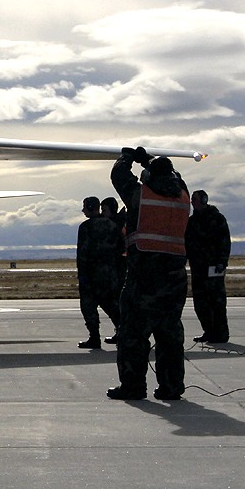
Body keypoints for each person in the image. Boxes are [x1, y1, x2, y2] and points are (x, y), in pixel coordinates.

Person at [107, 147, 190, 401]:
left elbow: (118, 175)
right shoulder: (183, 197)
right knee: (170, 335)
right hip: (175, 278)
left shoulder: (140, 196)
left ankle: (133, 386)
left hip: (144, 276)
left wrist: (128, 158)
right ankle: (171, 387)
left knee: (133, 335)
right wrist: (149, 160)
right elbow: (177, 177)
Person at [76, 196, 122, 349]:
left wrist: (82, 275)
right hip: (110, 275)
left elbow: (82, 254)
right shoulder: (112, 226)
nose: (83, 210)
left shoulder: (85, 228)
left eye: (84, 206)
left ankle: (94, 337)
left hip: (91, 275)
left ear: (90, 206)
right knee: (112, 306)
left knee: (88, 307)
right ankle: (123, 332)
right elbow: (120, 249)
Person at [186, 189, 231, 343]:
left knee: (216, 302)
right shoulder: (191, 222)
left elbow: (224, 242)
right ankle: (209, 331)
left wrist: (222, 262)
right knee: (200, 302)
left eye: (195, 199)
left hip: (213, 268)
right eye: (192, 199)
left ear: (204, 200)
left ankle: (221, 333)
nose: (193, 202)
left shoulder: (217, 219)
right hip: (198, 268)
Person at [100, 195, 128, 344]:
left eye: (104, 210)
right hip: (116, 267)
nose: (102, 213)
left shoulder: (115, 226)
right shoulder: (117, 223)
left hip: (117, 268)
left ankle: (122, 329)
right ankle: (121, 329)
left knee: (112, 301)